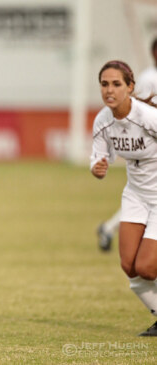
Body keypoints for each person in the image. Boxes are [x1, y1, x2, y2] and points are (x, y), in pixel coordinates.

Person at [91, 60, 157, 336]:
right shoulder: (103, 121)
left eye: (117, 84)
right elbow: (97, 159)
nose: (110, 90)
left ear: (130, 87)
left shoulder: (148, 117)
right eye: (104, 84)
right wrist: (97, 167)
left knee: (147, 267)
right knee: (130, 267)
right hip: (135, 195)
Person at [96, 38, 157, 252]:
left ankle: (108, 228)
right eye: (105, 84)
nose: (110, 89)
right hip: (146, 148)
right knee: (140, 196)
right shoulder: (150, 77)